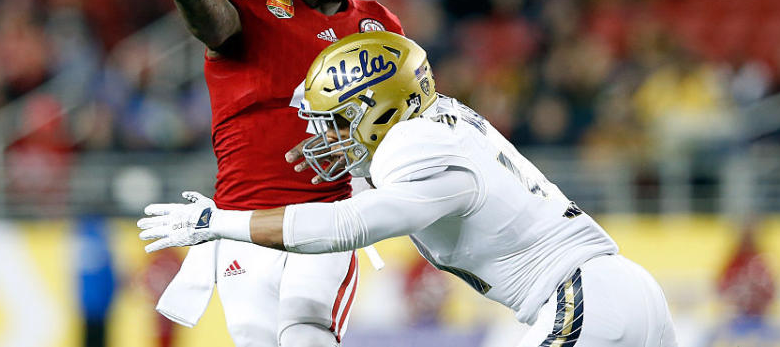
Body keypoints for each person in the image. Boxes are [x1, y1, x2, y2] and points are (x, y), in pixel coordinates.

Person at [138, 32, 679, 347]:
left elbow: (344, 227)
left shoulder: (410, 145)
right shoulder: (437, 125)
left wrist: (219, 224)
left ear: (380, 107)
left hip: (583, 298)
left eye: (340, 120)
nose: (330, 137)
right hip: (621, 292)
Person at [107, 0, 404, 347]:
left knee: (306, 331)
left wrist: (367, 160)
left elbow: (408, 127)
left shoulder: (379, 24)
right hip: (241, 221)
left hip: (327, 216)